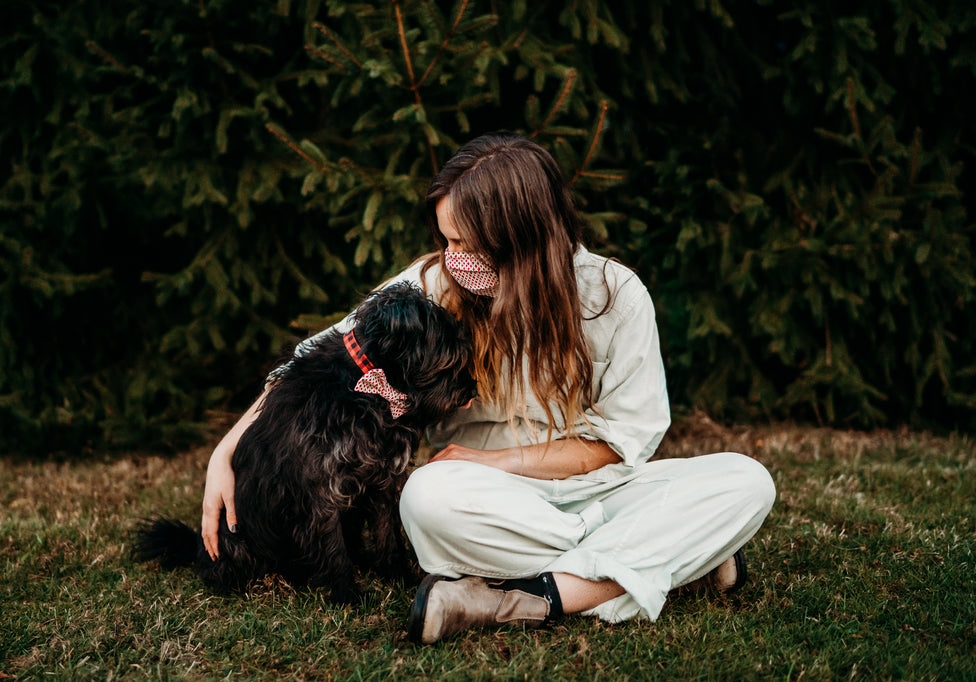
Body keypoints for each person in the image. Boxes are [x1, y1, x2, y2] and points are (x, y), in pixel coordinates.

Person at [201, 132, 776, 644]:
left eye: (469, 245)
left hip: (598, 489)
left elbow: (624, 441)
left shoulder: (615, 296)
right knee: (425, 500)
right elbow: (320, 352)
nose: (454, 258)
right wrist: (227, 447)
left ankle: (533, 596)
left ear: (524, 239)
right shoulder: (433, 283)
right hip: (482, 500)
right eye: (447, 238)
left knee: (747, 482)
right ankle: (675, 557)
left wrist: (500, 460)